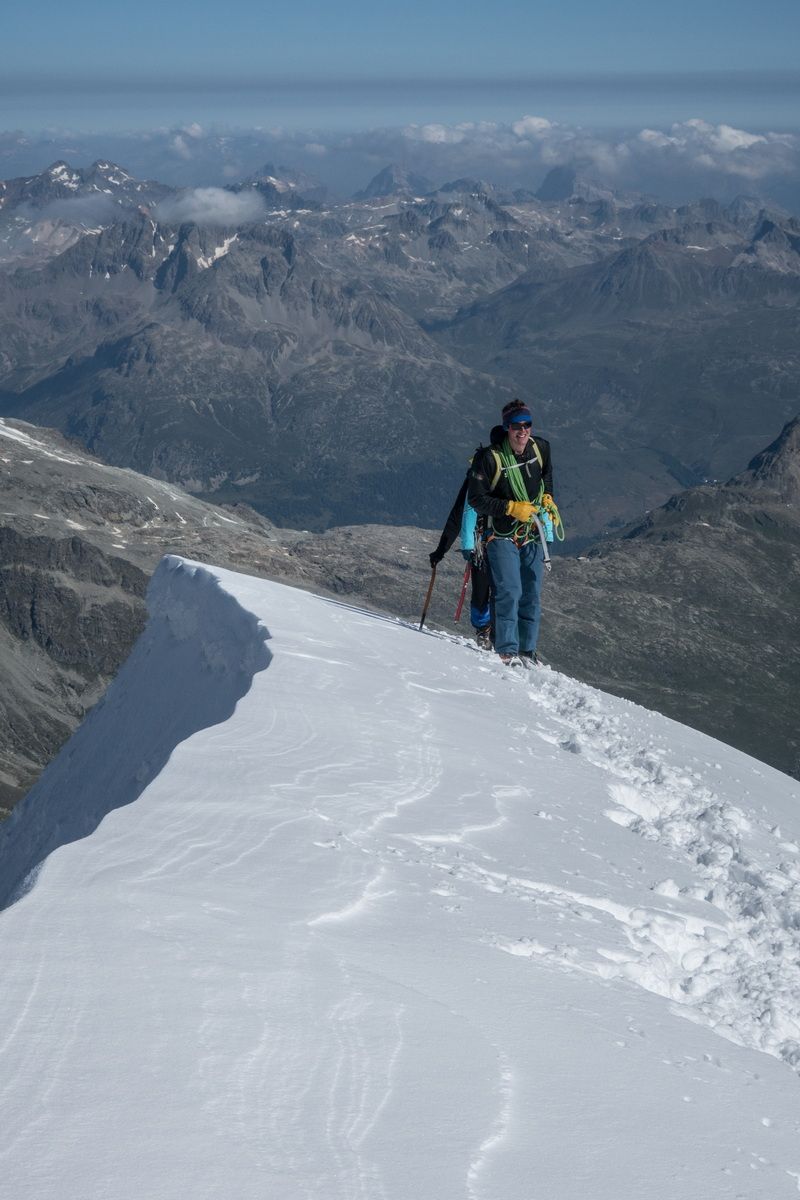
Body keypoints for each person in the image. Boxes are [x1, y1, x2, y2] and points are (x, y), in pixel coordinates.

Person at [467, 399, 555, 666]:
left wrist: (548, 497)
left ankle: (527, 650)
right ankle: (506, 649)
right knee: (510, 591)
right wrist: (510, 507)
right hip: (501, 533)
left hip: (531, 531)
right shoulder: (490, 459)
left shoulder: (540, 449)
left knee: (531, 591)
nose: (523, 431)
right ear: (507, 428)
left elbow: (546, 477)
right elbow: (476, 499)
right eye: (517, 426)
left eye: (527, 424)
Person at [429, 477, 493, 648]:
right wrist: (441, 550)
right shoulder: (477, 475)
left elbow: (457, 515)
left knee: (484, 591)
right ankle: (488, 630)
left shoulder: (477, 473)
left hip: (482, 544)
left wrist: (440, 551)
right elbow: (459, 514)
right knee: (487, 591)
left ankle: (490, 631)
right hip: (484, 544)